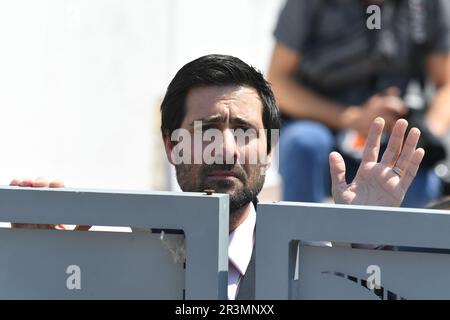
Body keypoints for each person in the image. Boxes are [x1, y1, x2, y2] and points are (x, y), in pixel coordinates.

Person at [10, 54, 425, 299]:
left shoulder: (316, 259)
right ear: (172, 146)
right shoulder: (109, 262)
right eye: (206, 130)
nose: (225, 149)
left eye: (244, 132)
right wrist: (41, 263)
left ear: (269, 149)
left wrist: (366, 240)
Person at [268, 0, 450, 207]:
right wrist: (353, 118)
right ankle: (299, 236)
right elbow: (278, 84)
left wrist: (424, 137)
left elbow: (446, 84)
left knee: (418, 169)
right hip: (323, 126)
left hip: (394, 136)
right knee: (304, 143)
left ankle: (403, 240)